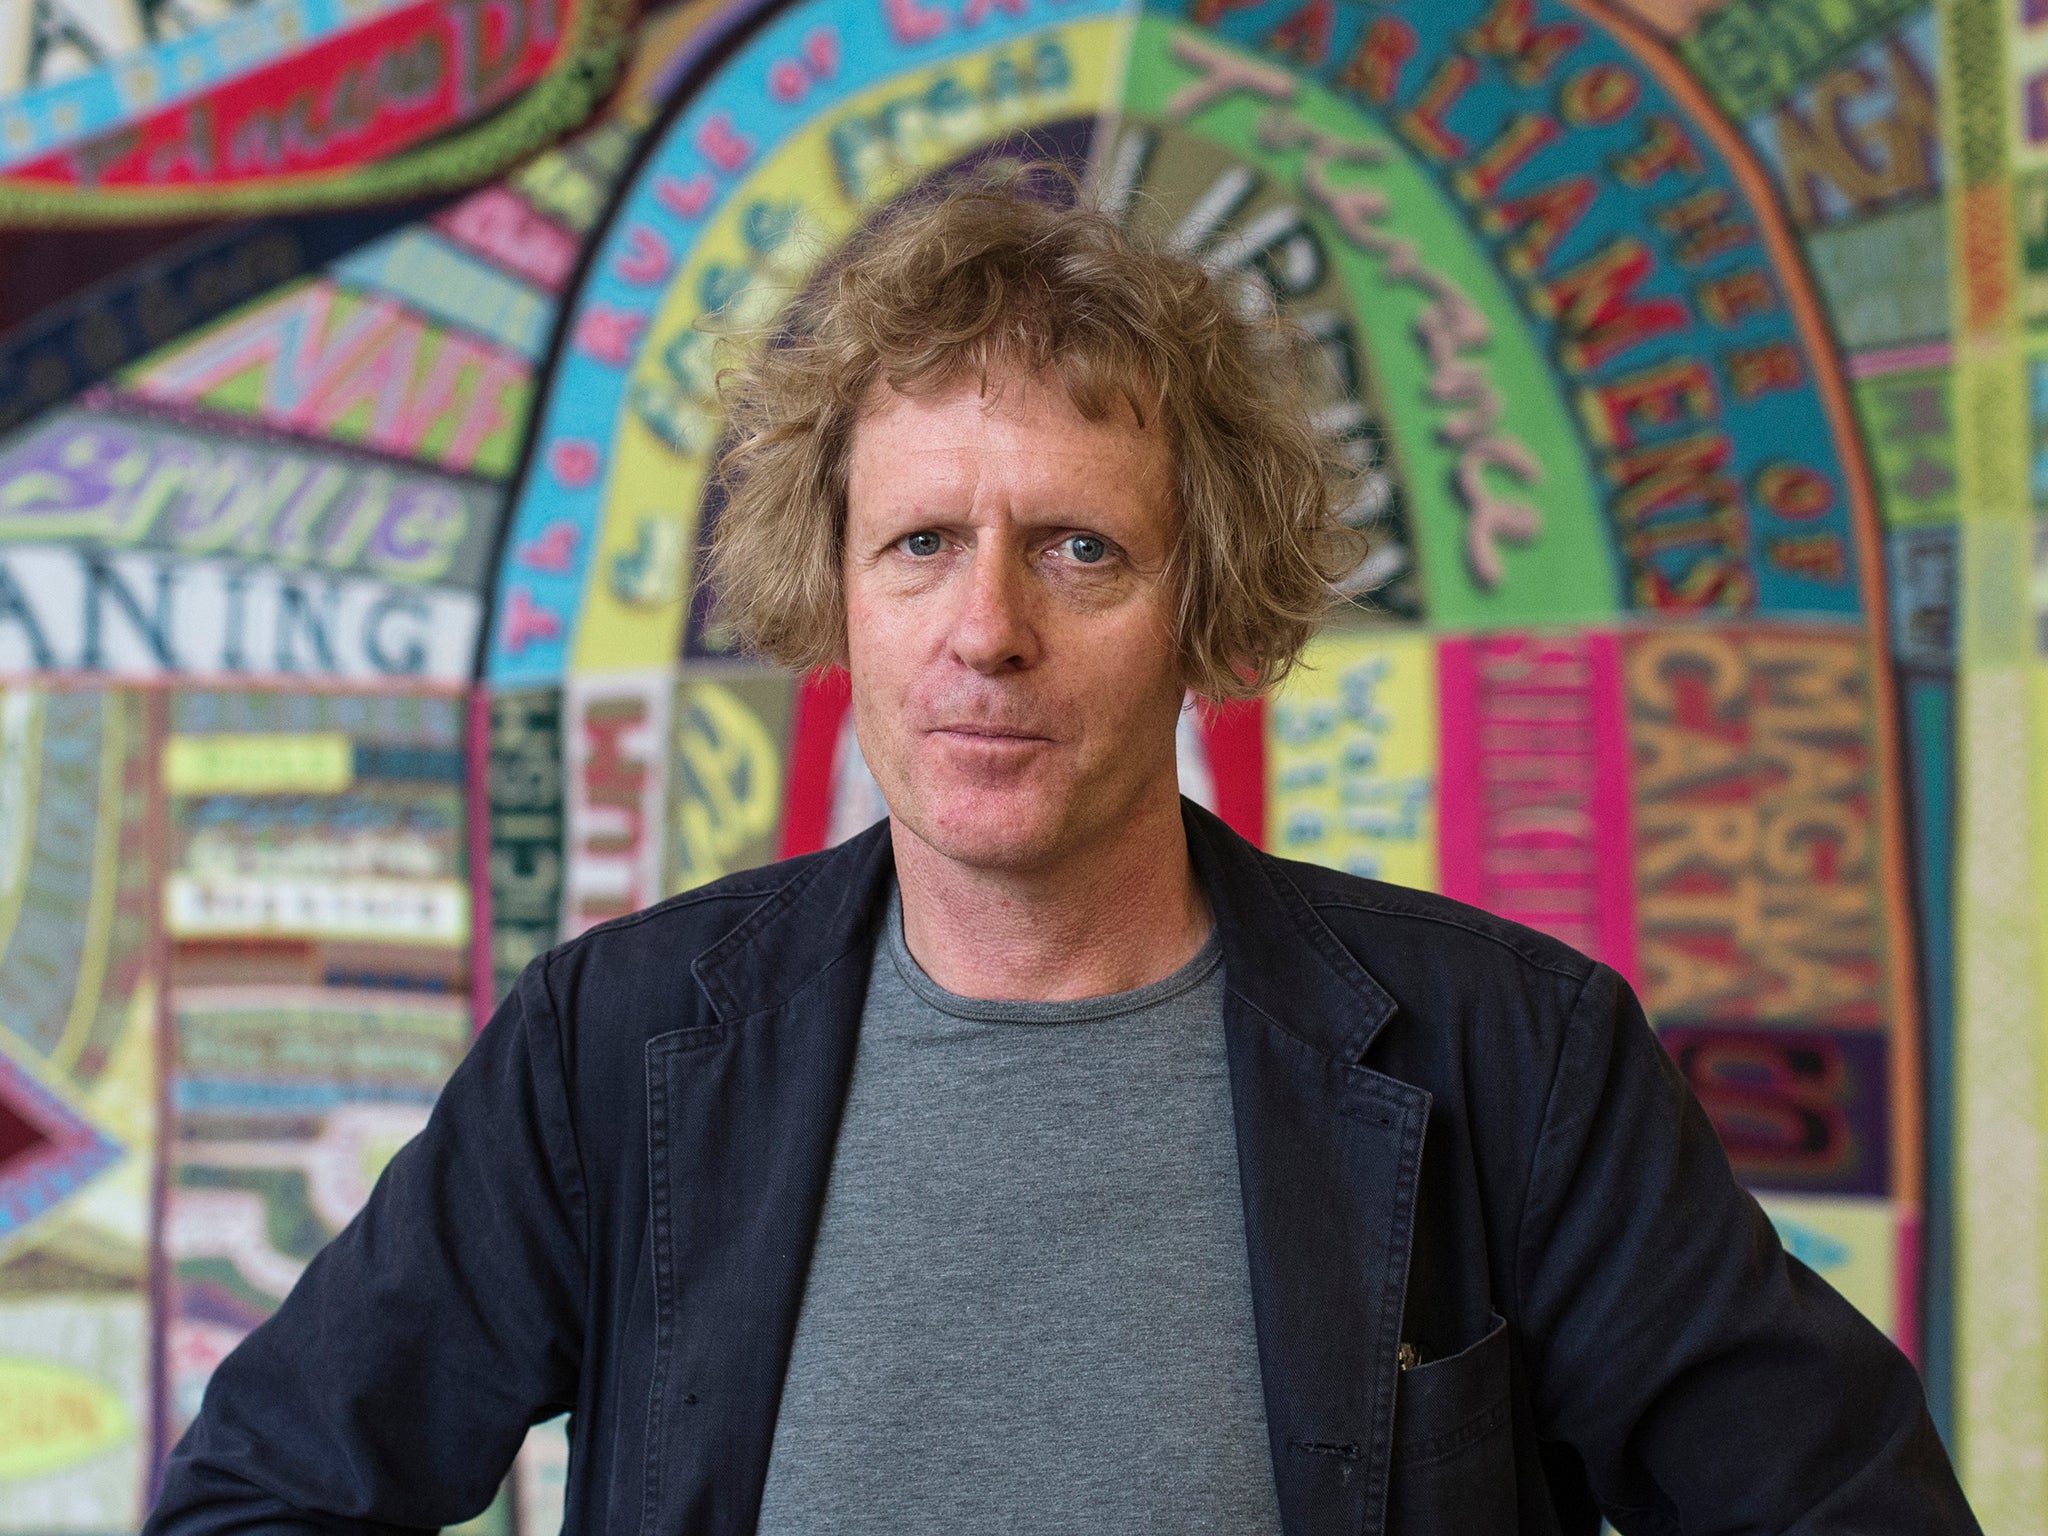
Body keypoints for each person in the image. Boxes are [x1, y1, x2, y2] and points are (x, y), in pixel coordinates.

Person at [148, 180, 1980, 1536]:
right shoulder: (611, 1049)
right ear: (838, 593)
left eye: (1082, 551)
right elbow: (259, 1502)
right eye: (924, 542)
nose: (989, 631)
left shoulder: (1518, 1058)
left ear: (1206, 603)